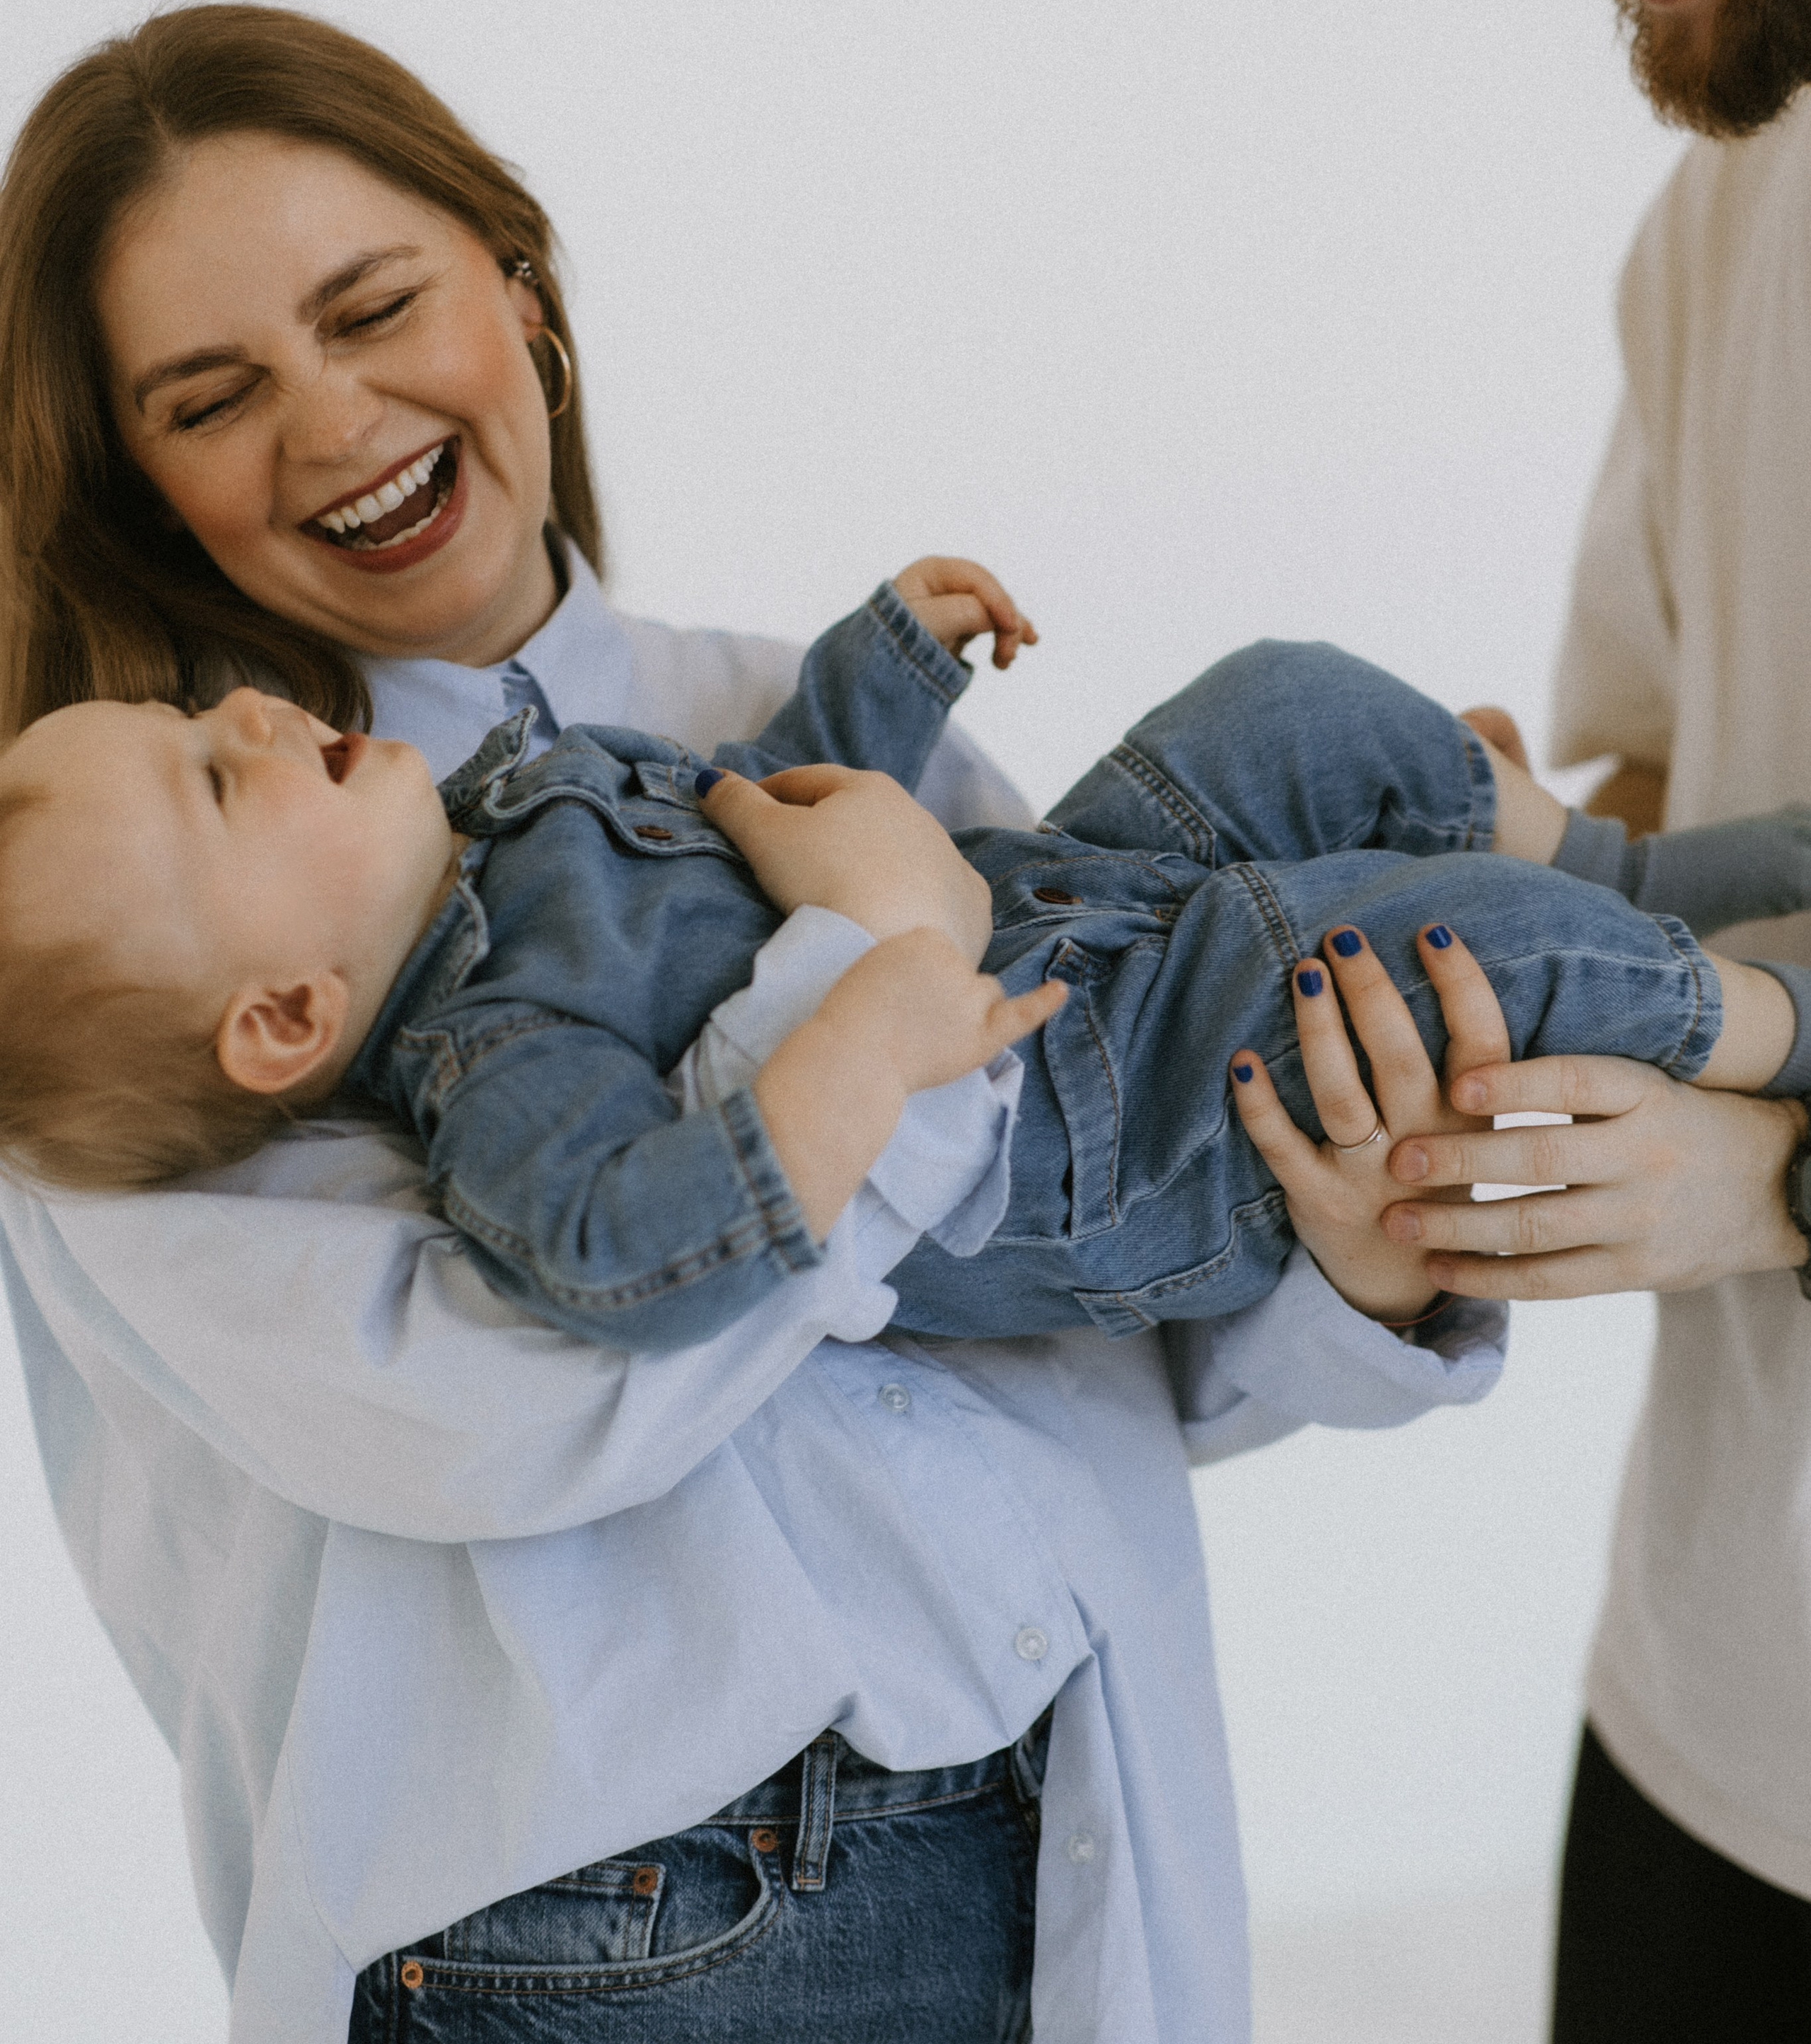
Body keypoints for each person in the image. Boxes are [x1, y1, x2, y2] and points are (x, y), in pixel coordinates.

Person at [0, 1, 1512, 2044]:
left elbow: (1093, 1285)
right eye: (208, 397)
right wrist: (873, 972)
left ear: (520, 283)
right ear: (137, 479)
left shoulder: (785, 725)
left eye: (376, 305)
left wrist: (1370, 1270)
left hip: (1037, 1858)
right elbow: (522, 1396)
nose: (332, 420)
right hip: (593, 2023)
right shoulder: (135, 956)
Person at [10, 591, 1811, 1345]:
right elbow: (637, 1259)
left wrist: (887, 666)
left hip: (1052, 911)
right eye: (217, 777)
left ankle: (1637, 868)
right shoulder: (497, 1062)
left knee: (1290, 707)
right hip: (1095, 1132)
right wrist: (867, 1024)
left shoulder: (515, 805)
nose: (250, 709)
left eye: (194, 717)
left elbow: (793, 803)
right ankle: (1776, 1026)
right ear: (284, 1018)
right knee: (1413, 945)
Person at [1374, 0, 1811, 2044]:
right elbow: (1669, 772)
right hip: (1723, 1719)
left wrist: (1762, 1177)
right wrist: (1479, 934)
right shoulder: (1724, 224)